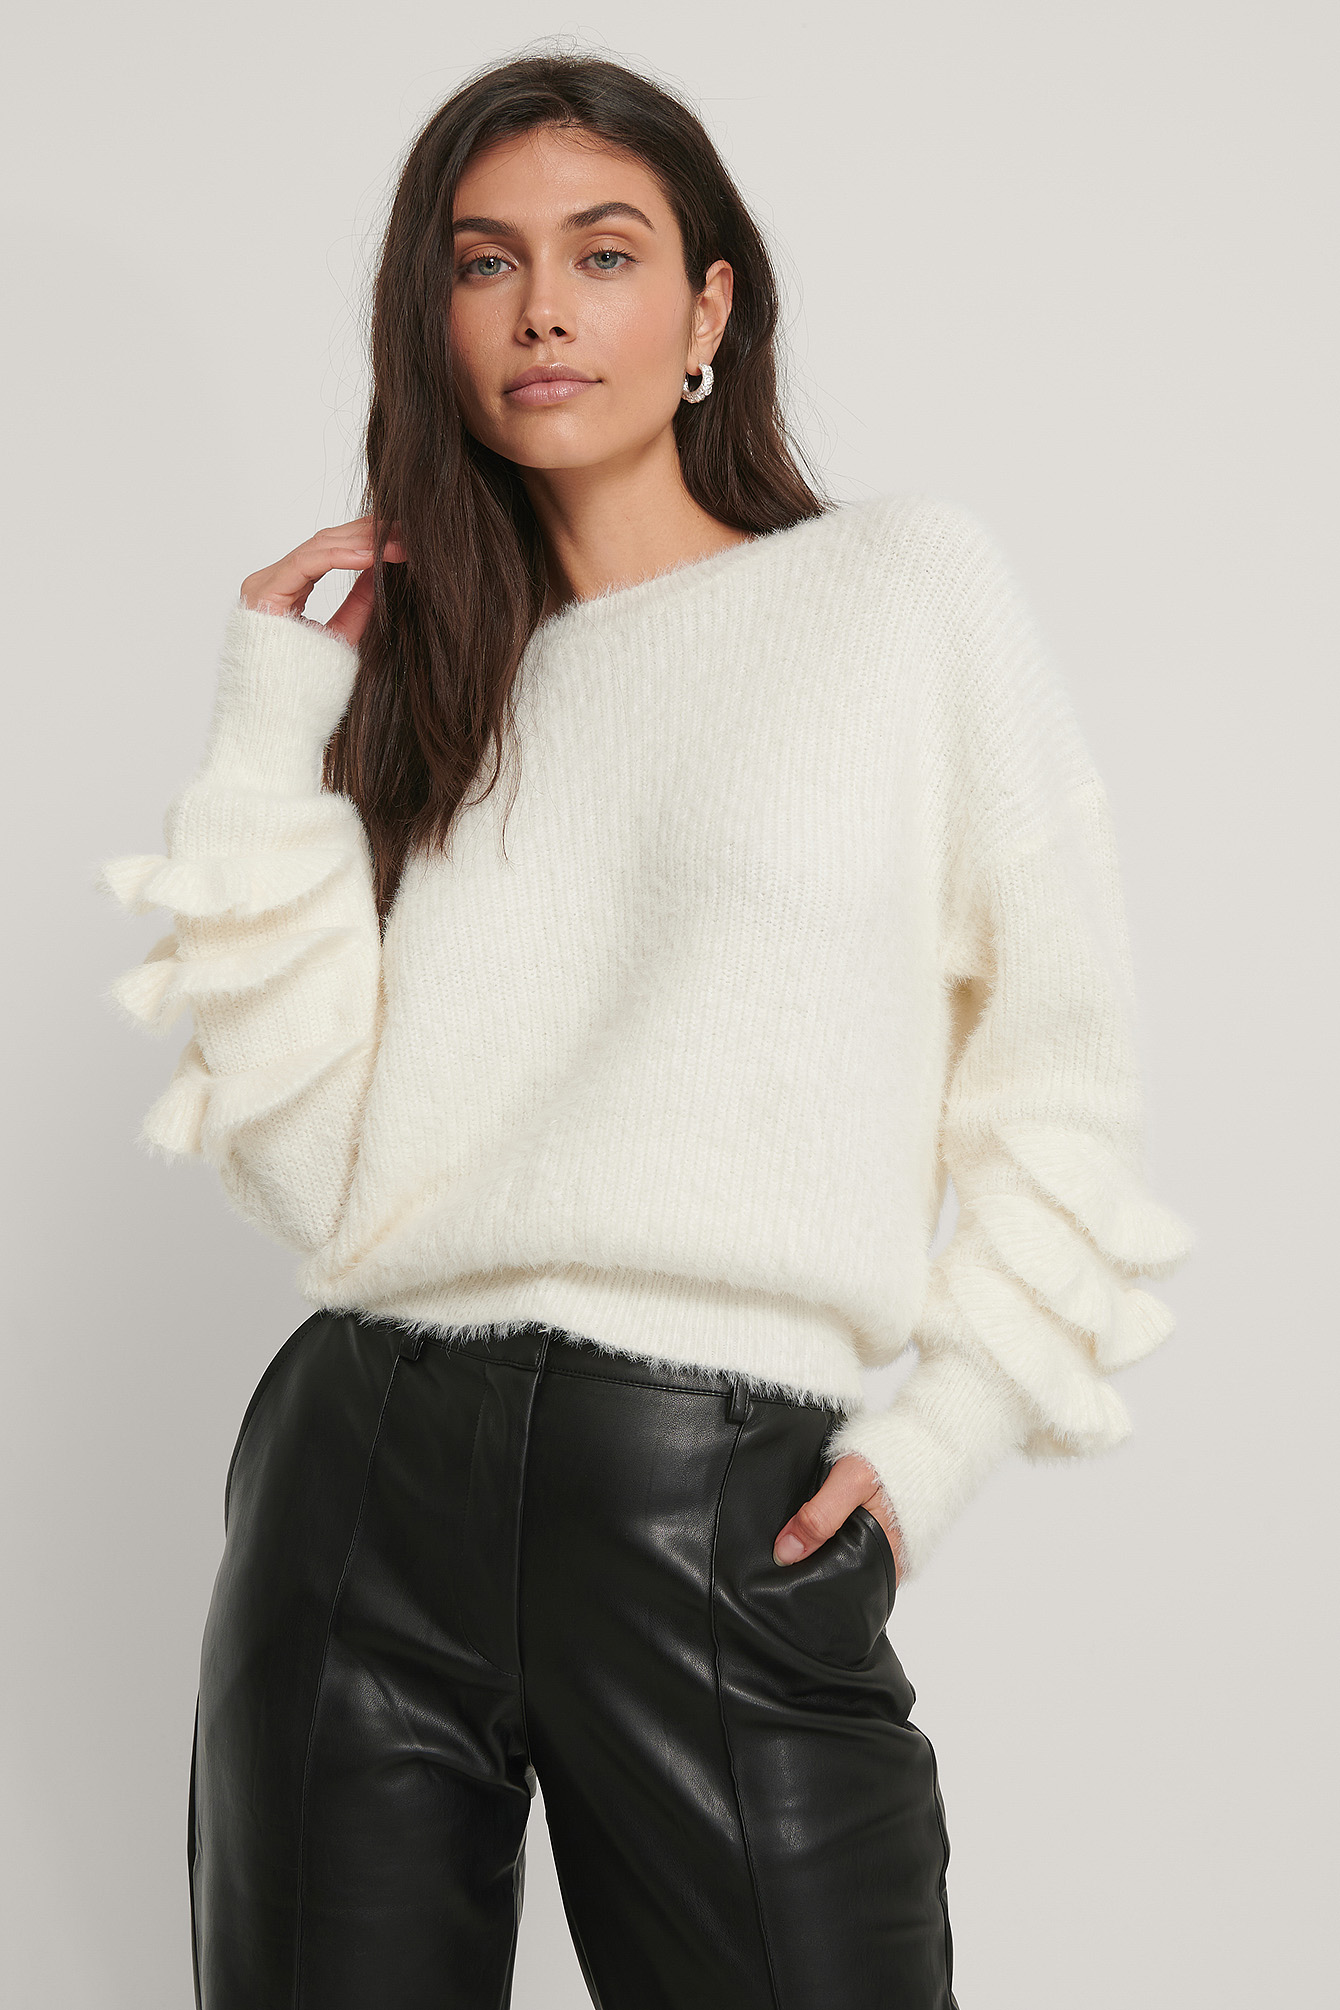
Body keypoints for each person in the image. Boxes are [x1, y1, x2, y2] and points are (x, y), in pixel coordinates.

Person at [97, 50, 1192, 2010]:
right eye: (484, 262)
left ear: (707, 310)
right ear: (431, 320)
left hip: (707, 1497)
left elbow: (1066, 1081)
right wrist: (273, 726)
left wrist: (934, 1446)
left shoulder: (898, 596)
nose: (541, 310)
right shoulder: (427, 702)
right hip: (361, 1478)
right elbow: (311, 1183)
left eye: (603, 254)